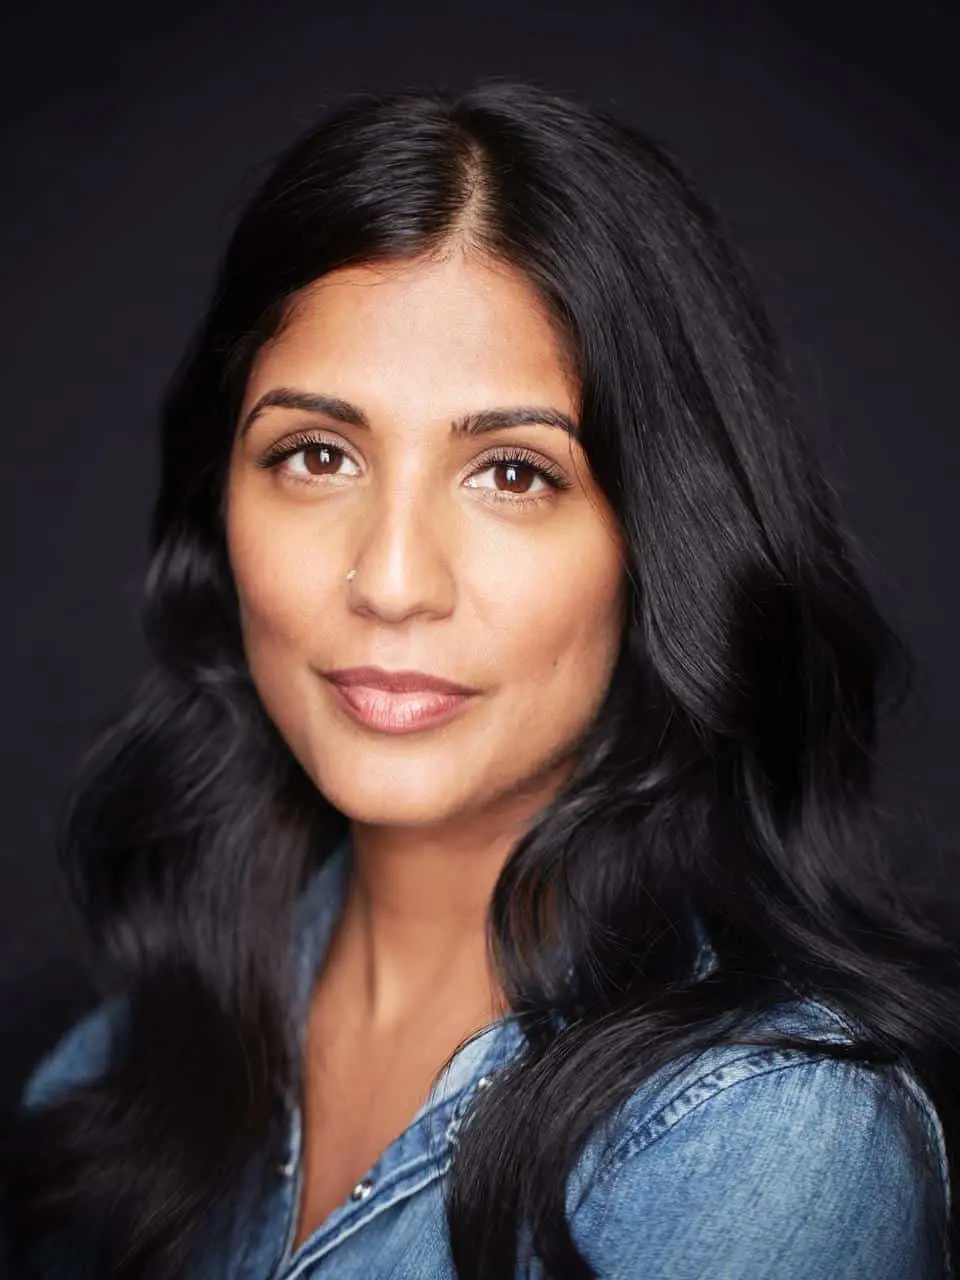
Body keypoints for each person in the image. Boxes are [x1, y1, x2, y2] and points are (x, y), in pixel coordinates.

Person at [1, 76, 957, 1280]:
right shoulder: (117, 1069)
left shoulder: (758, 1143)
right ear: (220, 504)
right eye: (316, 453)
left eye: (512, 473)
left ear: (660, 536)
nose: (394, 579)